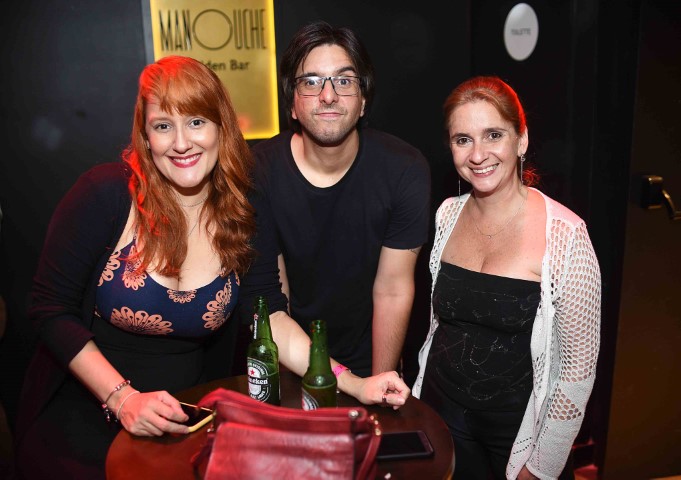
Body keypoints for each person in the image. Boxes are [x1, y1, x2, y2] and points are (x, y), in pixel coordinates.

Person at [14, 55, 409, 480]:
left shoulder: (243, 206)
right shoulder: (105, 194)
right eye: (163, 126)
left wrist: (355, 383)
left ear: (222, 126)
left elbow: (270, 318)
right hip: (89, 413)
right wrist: (123, 399)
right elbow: (50, 309)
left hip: (188, 420)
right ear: (145, 136)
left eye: (197, 122)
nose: (181, 143)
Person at [412, 76, 601, 480]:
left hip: (517, 435)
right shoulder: (447, 214)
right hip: (442, 415)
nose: (478, 155)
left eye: (493, 135)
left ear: (521, 140)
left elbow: (576, 374)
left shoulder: (565, 235)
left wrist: (542, 465)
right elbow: (438, 325)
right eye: (463, 140)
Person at [251, 21, 431, 378]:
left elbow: (393, 289)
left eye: (344, 81)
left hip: (370, 361)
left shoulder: (404, 169)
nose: (329, 95)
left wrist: (378, 386)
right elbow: (275, 299)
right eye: (311, 81)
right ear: (292, 103)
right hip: (290, 358)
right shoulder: (258, 171)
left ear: (363, 101)